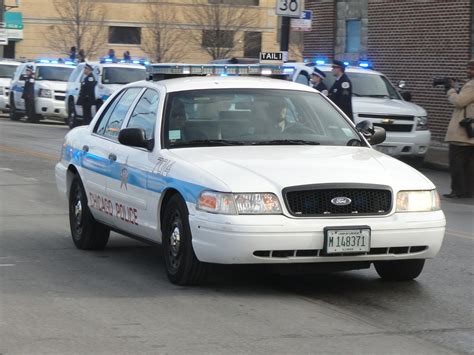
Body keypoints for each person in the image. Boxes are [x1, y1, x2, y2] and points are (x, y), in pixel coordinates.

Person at [443, 59, 474, 199]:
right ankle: (468, 190)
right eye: (468, 68)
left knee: (457, 164)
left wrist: (451, 90)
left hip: (462, 134)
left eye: (472, 69)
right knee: (469, 165)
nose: (469, 71)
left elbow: (459, 101)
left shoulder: (472, 85)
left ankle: (458, 190)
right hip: (469, 133)